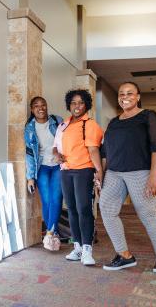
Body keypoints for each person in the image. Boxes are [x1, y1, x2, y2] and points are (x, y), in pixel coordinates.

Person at [99, 82, 156, 274]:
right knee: (106, 210)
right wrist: (101, 175)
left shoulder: (148, 116)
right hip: (113, 173)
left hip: (140, 172)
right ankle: (125, 255)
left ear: (138, 96)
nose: (125, 96)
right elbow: (106, 152)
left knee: (147, 214)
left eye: (130, 93)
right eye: (121, 93)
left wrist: (154, 176)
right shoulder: (114, 122)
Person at [53, 89, 103, 265]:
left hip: (83, 171)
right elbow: (55, 147)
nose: (77, 106)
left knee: (84, 209)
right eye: (73, 103)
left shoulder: (89, 124)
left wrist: (99, 171)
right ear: (69, 105)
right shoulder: (63, 125)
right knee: (72, 209)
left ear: (86, 105)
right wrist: (57, 155)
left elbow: (93, 150)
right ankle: (77, 247)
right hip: (65, 171)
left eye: (81, 102)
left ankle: (88, 249)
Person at [25, 97, 64, 251]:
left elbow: (66, 141)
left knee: (56, 198)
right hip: (41, 167)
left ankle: (49, 233)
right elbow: (29, 154)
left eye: (43, 105)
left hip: (57, 165)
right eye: (36, 106)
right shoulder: (29, 128)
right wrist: (30, 177)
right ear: (32, 109)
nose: (40, 108)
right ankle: (53, 234)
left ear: (47, 107)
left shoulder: (57, 121)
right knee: (46, 200)